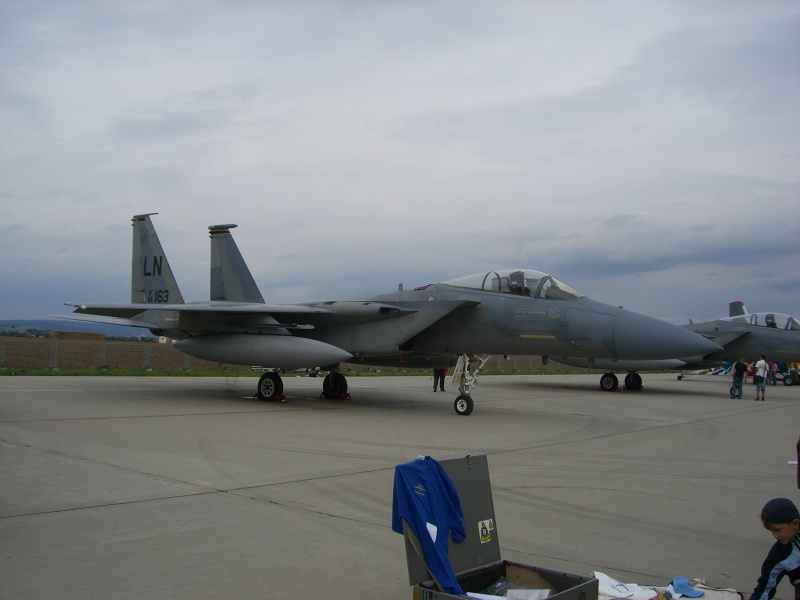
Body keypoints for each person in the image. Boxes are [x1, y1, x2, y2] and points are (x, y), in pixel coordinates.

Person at [748, 497, 800, 600]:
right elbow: (765, 587)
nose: (775, 536)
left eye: (778, 530)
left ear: (795, 524)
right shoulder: (779, 555)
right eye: (771, 531)